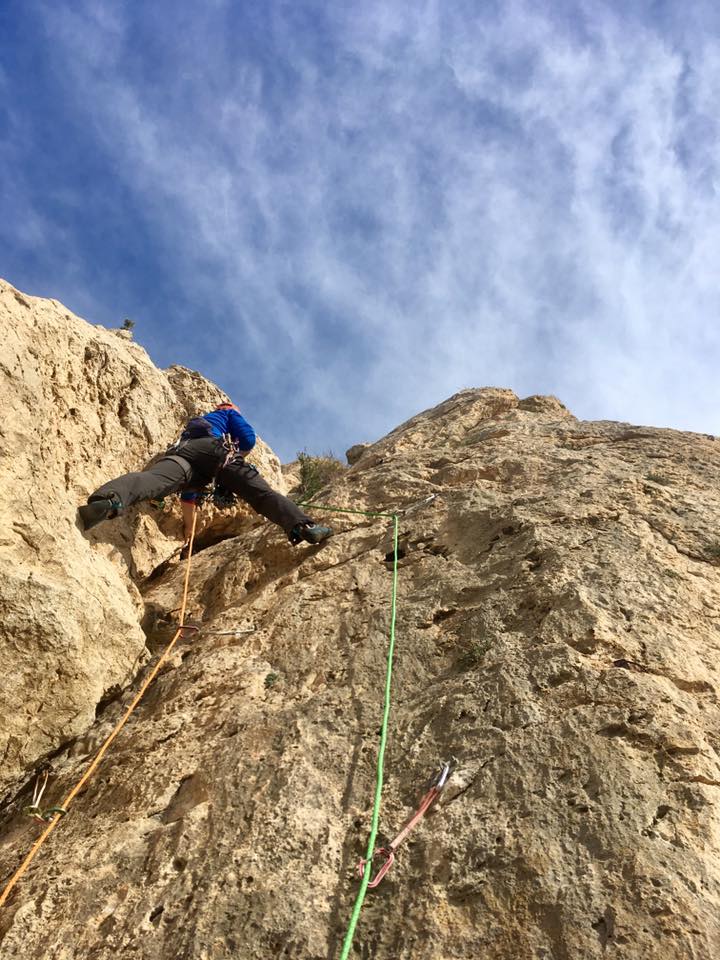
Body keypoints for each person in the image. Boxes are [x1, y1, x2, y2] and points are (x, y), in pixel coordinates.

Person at [78, 403, 333, 547]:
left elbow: (188, 495)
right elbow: (248, 439)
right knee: (261, 494)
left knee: (152, 480)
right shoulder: (228, 414)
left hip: (183, 457)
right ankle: (303, 526)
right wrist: (232, 468)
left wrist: (189, 531)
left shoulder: (190, 431)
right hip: (217, 452)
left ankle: (109, 499)